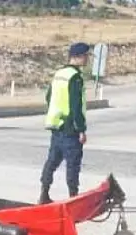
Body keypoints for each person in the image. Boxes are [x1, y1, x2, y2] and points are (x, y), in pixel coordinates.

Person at [39, 42, 90, 204]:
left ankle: (44, 194)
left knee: (52, 161)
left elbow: (49, 97)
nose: (87, 59)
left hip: (56, 125)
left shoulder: (59, 74)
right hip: (70, 127)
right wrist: (81, 129)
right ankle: (73, 198)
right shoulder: (75, 77)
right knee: (73, 164)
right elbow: (76, 105)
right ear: (78, 56)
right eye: (86, 56)